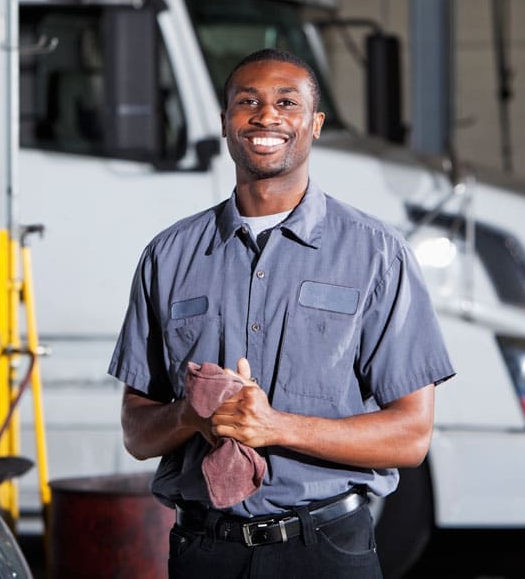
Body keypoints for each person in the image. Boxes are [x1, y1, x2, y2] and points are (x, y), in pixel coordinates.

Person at [108, 48, 455, 578]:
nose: (266, 116)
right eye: (248, 102)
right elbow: (136, 432)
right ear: (225, 122)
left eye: (286, 102)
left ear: (314, 124)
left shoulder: (376, 254)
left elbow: (410, 436)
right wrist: (188, 415)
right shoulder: (169, 256)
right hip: (205, 552)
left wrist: (275, 426)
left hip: (325, 549)